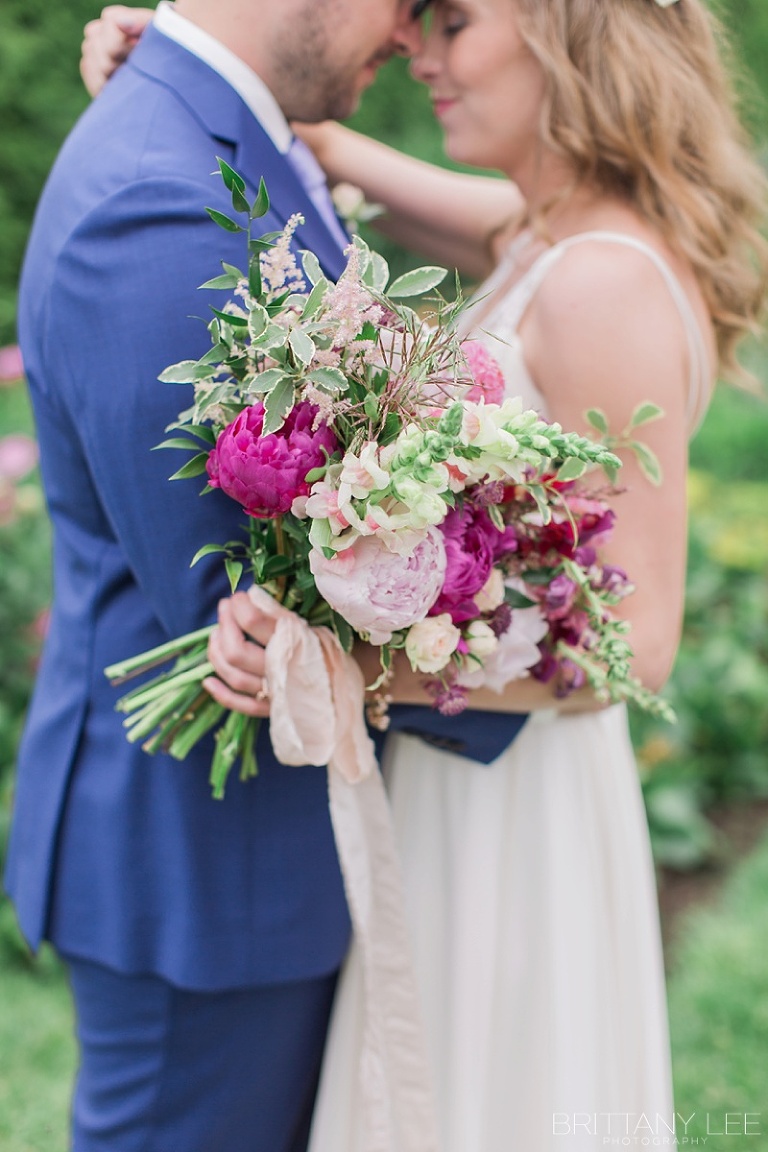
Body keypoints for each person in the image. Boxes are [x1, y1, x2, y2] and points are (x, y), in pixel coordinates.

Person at [79, 1, 767, 1149]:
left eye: (453, 21)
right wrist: (180, 65)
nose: (419, 51)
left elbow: (633, 646)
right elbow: (343, 154)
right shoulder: (546, 232)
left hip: (513, 810)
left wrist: (355, 653)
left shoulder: (602, 278)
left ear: (571, 36)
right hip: (469, 783)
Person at [3, 3, 527, 1150]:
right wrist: (536, 639)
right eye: (403, 3)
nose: (407, 35)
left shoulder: (232, 140)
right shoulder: (158, 195)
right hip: (201, 866)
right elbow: (251, 610)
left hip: (246, 858)